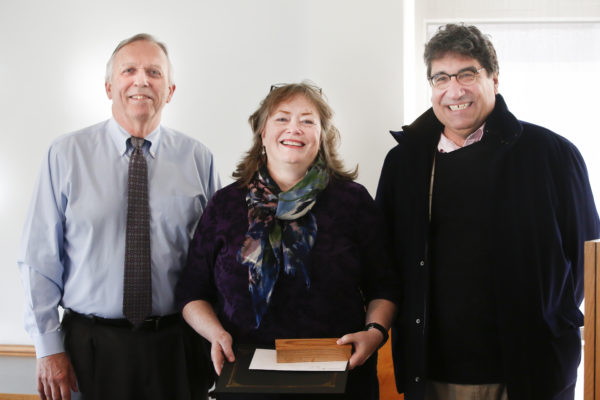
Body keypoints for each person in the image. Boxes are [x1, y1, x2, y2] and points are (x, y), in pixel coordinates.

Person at [376, 23, 600, 400]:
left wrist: (548, 321)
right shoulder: (405, 163)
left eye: (467, 74)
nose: (454, 90)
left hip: (530, 372)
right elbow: (385, 259)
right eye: (441, 77)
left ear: (494, 79)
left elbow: (584, 261)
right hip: (432, 373)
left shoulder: (552, 155)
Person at [17, 33, 220, 400]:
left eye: (154, 72)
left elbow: (215, 262)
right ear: (110, 87)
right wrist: (48, 347)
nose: (141, 80)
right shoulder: (65, 154)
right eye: (129, 70)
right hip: (88, 348)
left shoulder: (197, 158)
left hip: (176, 347)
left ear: (170, 90)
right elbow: (39, 259)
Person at [175, 82, 398, 400]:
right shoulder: (225, 204)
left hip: (339, 375)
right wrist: (215, 334)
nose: (295, 128)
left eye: (308, 120)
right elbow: (191, 292)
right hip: (244, 374)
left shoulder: (353, 202)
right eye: (282, 118)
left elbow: (384, 285)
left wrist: (374, 333)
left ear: (321, 136)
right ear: (262, 133)